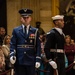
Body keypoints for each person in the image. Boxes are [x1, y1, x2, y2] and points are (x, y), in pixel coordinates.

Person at [10, 8, 41, 75]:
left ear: (30, 19)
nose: (26, 19)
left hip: (31, 59)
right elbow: (13, 44)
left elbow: (38, 46)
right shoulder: (16, 30)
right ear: (21, 19)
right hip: (19, 59)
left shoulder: (35, 31)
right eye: (24, 17)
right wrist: (12, 54)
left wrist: (38, 59)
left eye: (27, 17)